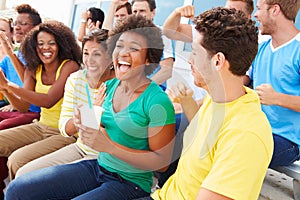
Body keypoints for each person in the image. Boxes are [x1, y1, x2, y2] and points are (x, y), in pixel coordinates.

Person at [5, 15, 175, 200]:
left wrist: (110, 147)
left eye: (134, 48)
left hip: (130, 183)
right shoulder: (109, 87)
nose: (123, 53)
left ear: (149, 59)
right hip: (99, 167)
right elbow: (87, 132)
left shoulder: (157, 101)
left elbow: (162, 163)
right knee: (18, 189)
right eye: (119, 46)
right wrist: (84, 118)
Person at [146, 7, 274, 200]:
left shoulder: (246, 134)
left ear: (218, 61)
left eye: (195, 53)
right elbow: (204, 132)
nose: (189, 60)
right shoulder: (218, 100)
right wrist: (188, 102)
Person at [14, 29, 115, 178]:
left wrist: (89, 114)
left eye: (97, 54)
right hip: (81, 148)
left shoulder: (121, 84)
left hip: (104, 157)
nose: (90, 60)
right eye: (86, 53)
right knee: (24, 174)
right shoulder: (76, 79)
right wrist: (92, 111)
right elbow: (66, 129)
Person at [0, 20, 82, 187]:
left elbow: (49, 101)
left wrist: (9, 85)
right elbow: (23, 107)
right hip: (40, 126)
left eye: (52, 43)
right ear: (33, 47)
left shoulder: (69, 66)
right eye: (41, 44)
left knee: (16, 160)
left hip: (63, 133)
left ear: (61, 45)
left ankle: (19, 194)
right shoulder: (33, 68)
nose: (46, 48)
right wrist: (6, 88)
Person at [250, 0, 300, 167]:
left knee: (240, 150)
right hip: (257, 131)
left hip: (289, 141)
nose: (255, 14)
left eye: (258, 9)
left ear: (275, 10)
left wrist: (276, 98)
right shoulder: (261, 49)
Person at [0, 4, 42, 199]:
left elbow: (25, 101)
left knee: (3, 127)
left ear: (35, 29)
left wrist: (8, 90)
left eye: (23, 24)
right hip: (16, 109)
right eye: (15, 24)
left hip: (34, 113)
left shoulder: (39, 57)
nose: (17, 27)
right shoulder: (10, 58)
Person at [131, 0, 175, 90]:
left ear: (153, 13)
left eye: (142, 11)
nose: (138, 15)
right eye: (135, 11)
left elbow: (167, 71)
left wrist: (141, 89)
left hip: (152, 93)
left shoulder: (162, 35)